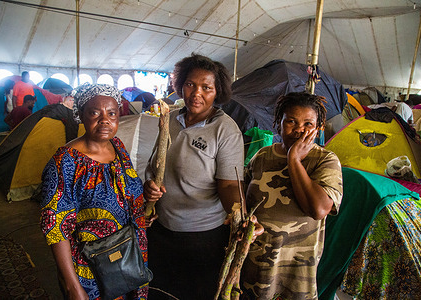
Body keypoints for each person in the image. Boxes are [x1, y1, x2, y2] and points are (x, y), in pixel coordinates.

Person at [144, 53, 262, 300]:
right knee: (161, 292)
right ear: (180, 86)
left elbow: (230, 184)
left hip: (202, 238)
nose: (196, 93)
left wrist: (238, 216)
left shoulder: (225, 130)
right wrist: (149, 187)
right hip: (162, 230)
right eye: (190, 85)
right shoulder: (171, 119)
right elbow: (156, 165)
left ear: (217, 92)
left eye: (206, 87)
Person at [40, 83, 148, 300]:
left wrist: (146, 196)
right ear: (81, 115)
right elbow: (56, 227)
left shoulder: (118, 147)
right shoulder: (66, 163)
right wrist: (73, 287)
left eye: (111, 113)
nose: (104, 120)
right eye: (94, 113)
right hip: (91, 269)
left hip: (129, 256)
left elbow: (125, 193)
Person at [241, 92, 343, 300]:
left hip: (296, 276)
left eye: (308, 123)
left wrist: (293, 159)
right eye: (291, 122)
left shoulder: (325, 161)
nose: (299, 130)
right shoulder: (262, 156)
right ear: (278, 123)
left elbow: (318, 210)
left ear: (319, 128)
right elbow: (242, 194)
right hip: (253, 267)